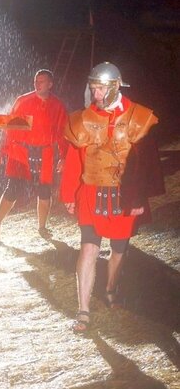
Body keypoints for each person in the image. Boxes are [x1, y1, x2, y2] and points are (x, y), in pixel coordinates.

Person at [59, 62, 161, 333]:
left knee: (119, 250)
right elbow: (74, 160)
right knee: (88, 247)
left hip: (124, 195)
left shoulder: (137, 117)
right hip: (91, 193)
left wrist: (138, 197)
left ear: (115, 87)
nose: (96, 95)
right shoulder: (82, 119)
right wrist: (69, 193)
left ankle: (110, 288)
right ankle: (83, 310)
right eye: (93, 89)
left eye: (101, 89)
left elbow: (145, 163)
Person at [0, 69, 68, 240]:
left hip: (45, 153)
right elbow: (9, 126)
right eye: (35, 81)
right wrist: (1, 151)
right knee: (13, 189)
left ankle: (42, 227)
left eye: (41, 81)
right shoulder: (23, 101)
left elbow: (62, 133)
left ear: (50, 84)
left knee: (44, 191)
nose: (37, 84)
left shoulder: (57, 105)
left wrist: (63, 156)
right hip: (21, 151)